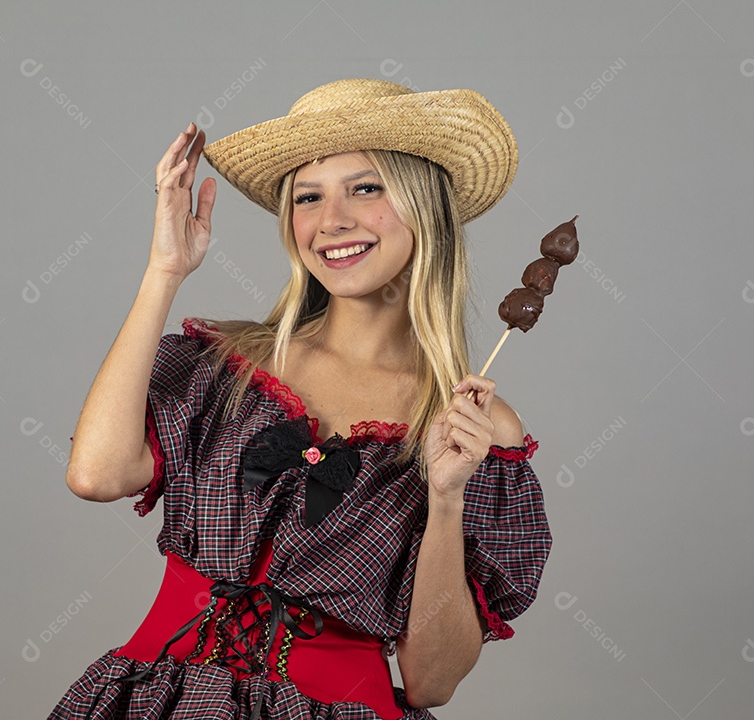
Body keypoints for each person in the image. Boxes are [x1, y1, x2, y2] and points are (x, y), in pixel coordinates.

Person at [48, 78, 552, 720]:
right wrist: (163, 272)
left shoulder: (475, 425)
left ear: (425, 206)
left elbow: (432, 681)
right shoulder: (229, 366)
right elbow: (96, 475)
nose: (332, 221)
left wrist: (447, 497)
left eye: (365, 188)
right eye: (308, 197)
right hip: (161, 699)